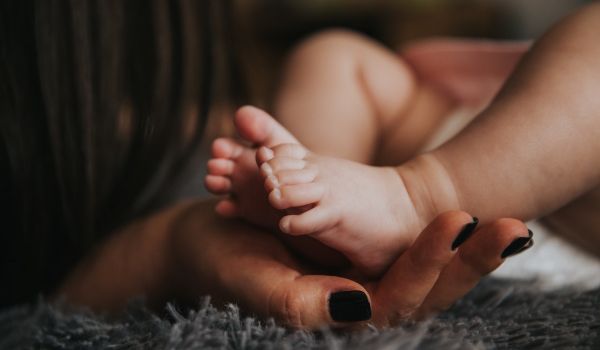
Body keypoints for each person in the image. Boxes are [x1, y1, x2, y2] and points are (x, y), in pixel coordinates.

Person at [0, 0, 534, 330]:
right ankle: (327, 214)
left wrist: (169, 244)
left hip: (520, 174)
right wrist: (167, 248)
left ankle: (371, 202)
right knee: (328, 54)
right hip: (434, 142)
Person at [205, 3, 600, 278]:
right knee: (333, 54)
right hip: (461, 135)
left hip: (574, 215)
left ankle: (417, 198)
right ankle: (317, 210)